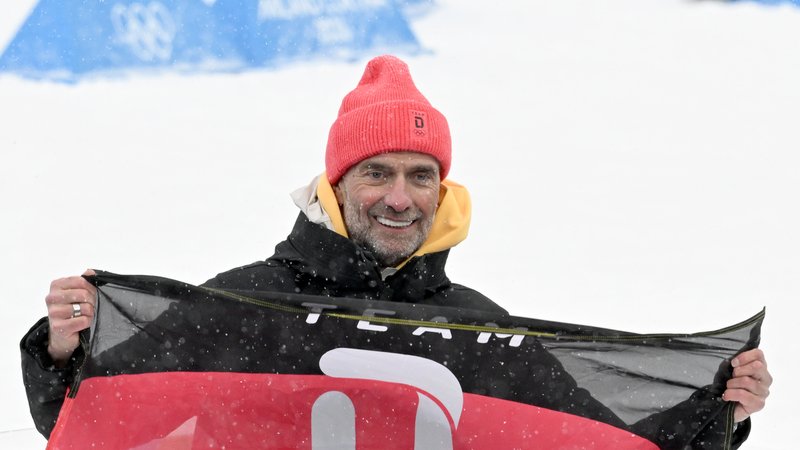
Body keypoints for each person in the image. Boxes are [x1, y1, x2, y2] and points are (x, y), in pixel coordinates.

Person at [21, 55, 771, 445]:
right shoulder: (243, 307)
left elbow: (593, 444)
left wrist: (720, 411)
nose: (399, 197)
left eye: (421, 176)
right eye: (376, 172)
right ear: (338, 184)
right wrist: (66, 350)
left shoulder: (481, 332)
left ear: (442, 193)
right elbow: (93, 425)